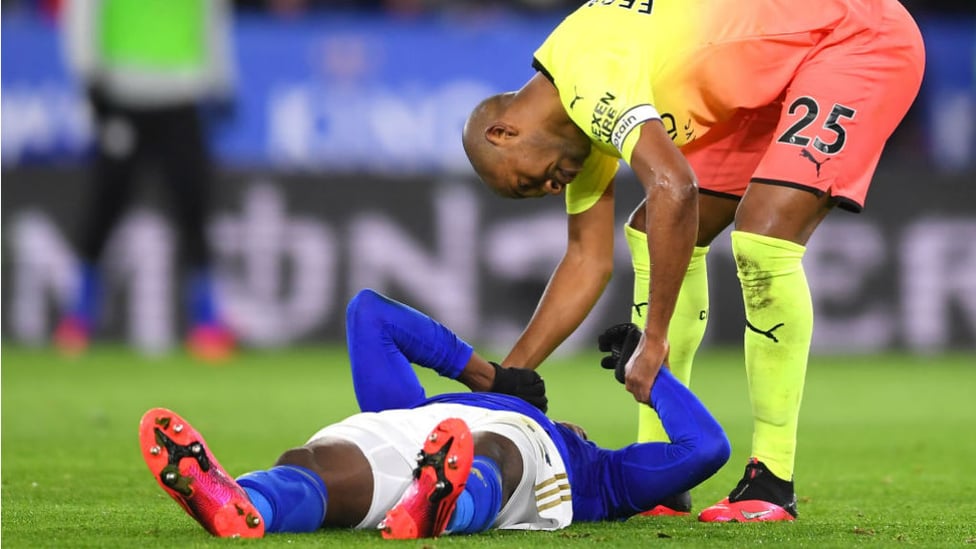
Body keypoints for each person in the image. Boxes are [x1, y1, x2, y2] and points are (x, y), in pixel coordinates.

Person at [461, 0, 925, 521]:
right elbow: (588, 259)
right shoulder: (578, 120)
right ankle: (663, 474)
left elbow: (674, 185)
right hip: (761, 79)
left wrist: (653, 337)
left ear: (503, 133)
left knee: (762, 235)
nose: (549, 188)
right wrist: (508, 378)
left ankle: (772, 481)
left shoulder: (590, 80)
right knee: (647, 231)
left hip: (851, 37)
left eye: (529, 182)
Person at [139, 288, 730, 538]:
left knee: (497, 453)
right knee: (316, 463)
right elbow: (370, 313)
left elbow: (703, 449)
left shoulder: (602, 473)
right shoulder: (415, 410)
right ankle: (245, 503)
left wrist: (648, 375)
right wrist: (490, 377)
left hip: (516, 452)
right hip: (426, 436)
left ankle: (446, 501)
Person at [54, 0, 236, 361]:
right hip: (122, 95)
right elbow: (83, 12)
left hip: (182, 96)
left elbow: (212, 19)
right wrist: (89, 77)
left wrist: (222, 83)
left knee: (193, 209)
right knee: (105, 206)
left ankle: (207, 322)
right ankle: (78, 318)